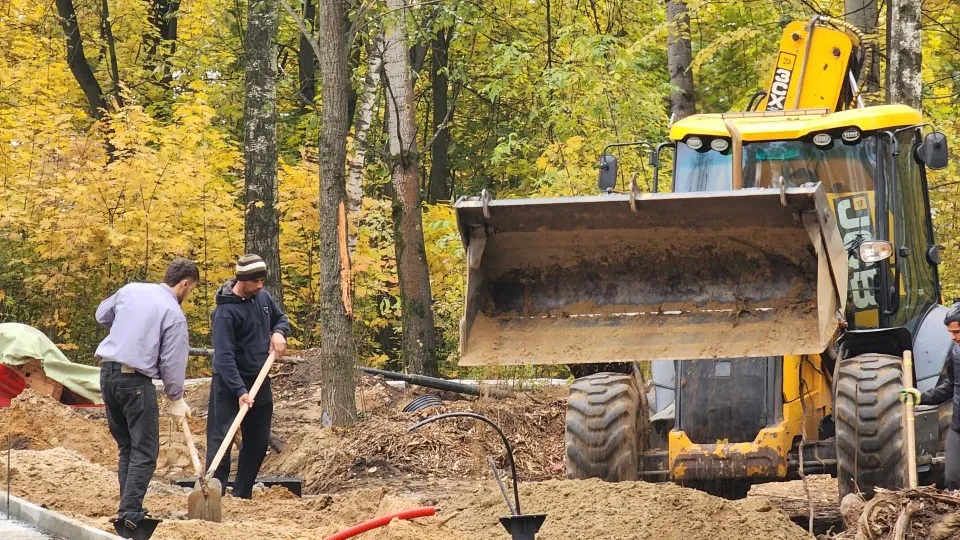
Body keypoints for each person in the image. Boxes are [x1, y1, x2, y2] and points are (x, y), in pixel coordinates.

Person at [95, 257, 199, 529]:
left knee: (127, 447)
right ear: (184, 284)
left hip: (107, 374)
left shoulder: (131, 290)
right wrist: (176, 397)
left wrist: (129, 326)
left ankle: (127, 506)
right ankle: (130, 513)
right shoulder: (173, 313)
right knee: (144, 450)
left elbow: (101, 315)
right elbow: (172, 361)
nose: (188, 294)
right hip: (135, 381)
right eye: (191, 290)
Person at [206, 254, 289, 499]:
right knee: (222, 439)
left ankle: (242, 493)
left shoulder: (263, 298)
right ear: (242, 280)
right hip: (228, 383)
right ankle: (215, 493)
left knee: (258, 441)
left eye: (262, 280)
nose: (260, 285)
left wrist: (279, 332)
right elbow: (224, 357)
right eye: (255, 281)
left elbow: (280, 318)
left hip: (259, 378)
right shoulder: (225, 313)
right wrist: (240, 391)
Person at [901, 303, 960, 489]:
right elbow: (950, 386)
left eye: (957, 332)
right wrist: (921, 397)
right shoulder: (956, 353)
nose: (953, 337)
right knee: (952, 479)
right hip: (958, 426)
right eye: (951, 332)